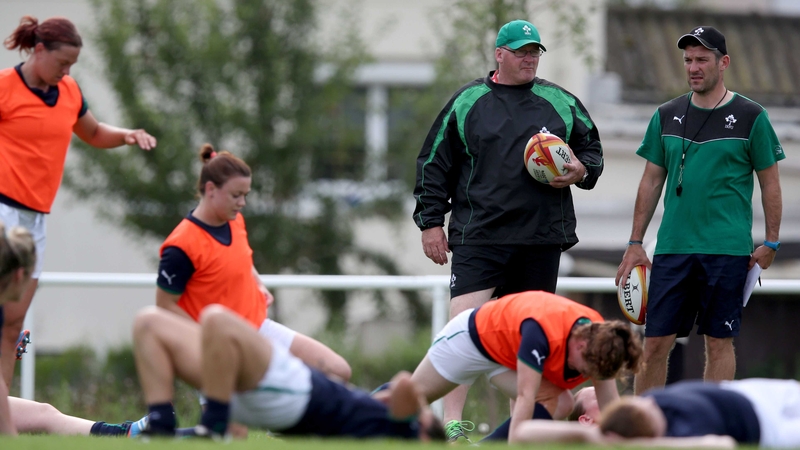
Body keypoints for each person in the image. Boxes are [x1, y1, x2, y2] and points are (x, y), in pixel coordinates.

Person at [412, 18, 603, 439]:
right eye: (521, 51)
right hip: (479, 235)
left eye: (534, 52)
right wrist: (430, 223)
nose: (529, 58)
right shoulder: (469, 101)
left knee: (528, 343)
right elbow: (433, 165)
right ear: (499, 54)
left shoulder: (559, 101)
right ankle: (451, 425)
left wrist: (580, 170)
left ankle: (517, 428)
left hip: (540, 237)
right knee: (461, 328)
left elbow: (592, 151)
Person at [616, 26, 784, 395]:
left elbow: (771, 183)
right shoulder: (666, 114)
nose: (693, 67)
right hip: (673, 247)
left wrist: (772, 242)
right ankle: (644, 426)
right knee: (656, 342)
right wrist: (635, 242)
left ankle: (714, 425)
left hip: (727, 248)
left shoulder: (751, 116)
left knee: (717, 341)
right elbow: (650, 181)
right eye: (688, 60)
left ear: (723, 63)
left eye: (702, 59)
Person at [0, 15, 157, 388]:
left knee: (13, 326)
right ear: (39, 50)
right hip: (2, 211)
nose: (67, 71)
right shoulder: (5, 87)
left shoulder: (69, 91)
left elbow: (95, 132)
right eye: (62, 63)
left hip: (36, 221)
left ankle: (4, 419)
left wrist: (127, 135)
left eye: (72, 65)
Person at [155, 144, 350, 382]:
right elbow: (165, 307)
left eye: (245, 195)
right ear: (210, 189)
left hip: (258, 328)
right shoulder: (181, 246)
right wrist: (209, 339)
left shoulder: (234, 220)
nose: (242, 203)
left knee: (336, 370)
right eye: (236, 195)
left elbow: (240, 258)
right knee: (229, 420)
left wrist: (258, 284)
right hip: (217, 347)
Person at [131, 305, 445, 441]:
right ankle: (159, 428)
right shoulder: (383, 422)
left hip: (294, 391)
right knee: (148, 324)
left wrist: (421, 413)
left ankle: (213, 427)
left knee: (217, 318)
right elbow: (398, 387)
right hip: (244, 395)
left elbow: (405, 382)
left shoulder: (401, 432)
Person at [408, 290, 641, 442]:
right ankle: (370, 410)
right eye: (588, 370)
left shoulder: (600, 342)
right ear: (580, 345)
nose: (586, 376)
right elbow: (525, 397)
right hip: (473, 338)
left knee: (562, 402)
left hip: (508, 354)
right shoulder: (542, 333)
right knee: (409, 399)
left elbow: (612, 412)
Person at [513, 378, 800, 448]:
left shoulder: (649, 404)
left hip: (752, 391)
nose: (649, 400)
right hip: (769, 425)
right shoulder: (682, 434)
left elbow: (525, 432)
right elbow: (721, 445)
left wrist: (591, 436)